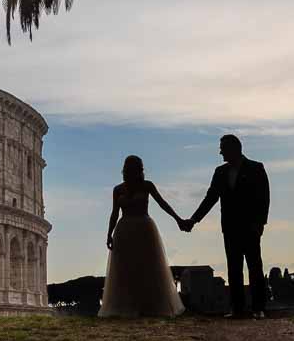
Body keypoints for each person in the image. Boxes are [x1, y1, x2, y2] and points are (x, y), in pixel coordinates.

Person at [181, 135, 270, 318]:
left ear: (233, 148)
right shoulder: (220, 172)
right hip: (230, 228)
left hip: (250, 227)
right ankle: (237, 309)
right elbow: (210, 198)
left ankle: (258, 308)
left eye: (223, 148)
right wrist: (194, 220)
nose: (220, 152)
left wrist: (260, 223)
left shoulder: (256, 168)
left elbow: (264, 198)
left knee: (254, 266)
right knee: (234, 268)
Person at [99, 155, 187, 318]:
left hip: (144, 229)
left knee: (147, 267)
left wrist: (178, 219)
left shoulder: (147, 186)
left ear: (138, 170)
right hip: (124, 230)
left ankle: (148, 306)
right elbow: (114, 213)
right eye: (127, 168)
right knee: (126, 269)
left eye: (132, 168)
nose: (128, 171)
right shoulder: (117, 189)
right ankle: (126, 305)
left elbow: (162, 203)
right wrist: (109, 234)